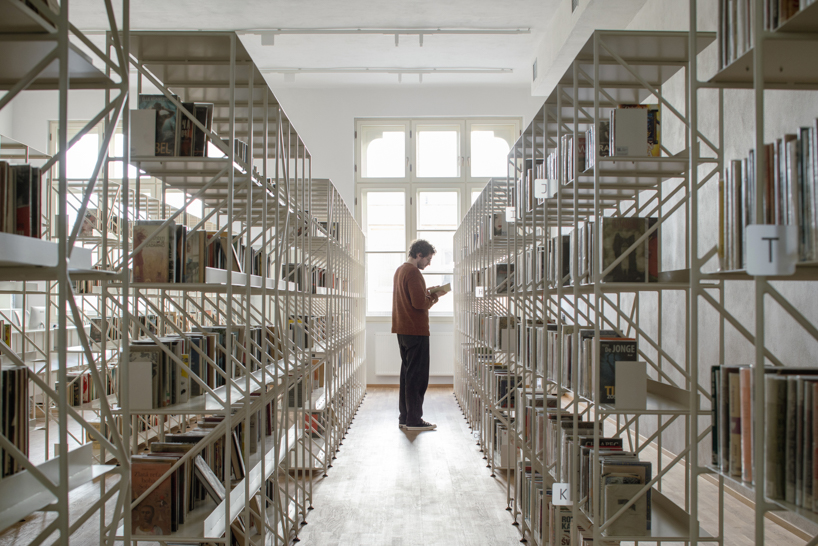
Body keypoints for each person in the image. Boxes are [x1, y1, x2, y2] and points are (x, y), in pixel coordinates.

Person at [392, 239, 448, 431]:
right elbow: (419, 304)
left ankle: (405, 417)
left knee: (407, 375)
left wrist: (426, 292)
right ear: (419, 255)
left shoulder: (400, 270)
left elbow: (411, 298)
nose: (429, 263)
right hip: (416, 330)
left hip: (403, 329)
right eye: (428, 259)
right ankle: (414, 420)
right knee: (418, 377)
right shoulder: (414, 272)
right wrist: (434, 297)